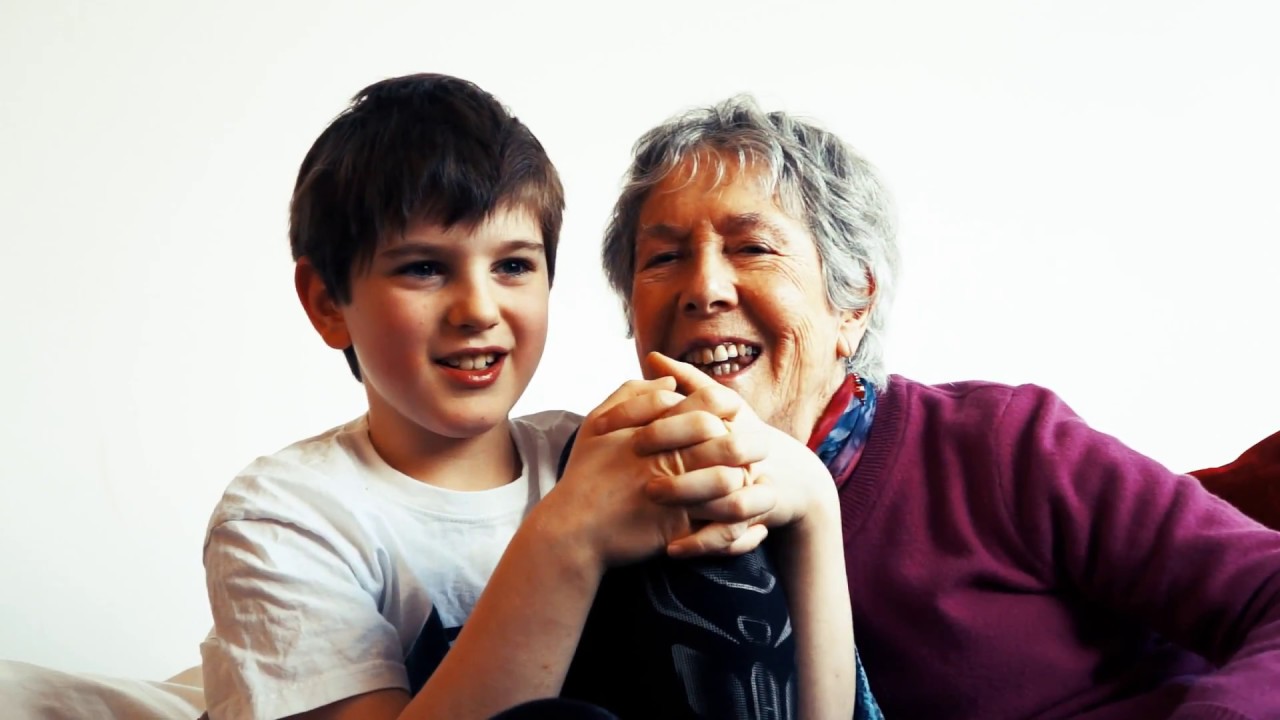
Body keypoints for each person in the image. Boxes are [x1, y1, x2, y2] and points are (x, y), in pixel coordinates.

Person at [597, 94, 1280, 719]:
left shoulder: (1002, 444)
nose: (704, 288)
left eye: (752, 247)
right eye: (663, 258)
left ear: (853, 303)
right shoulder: (621, 519)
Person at [200, 73, 856, 720]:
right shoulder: (285, 517)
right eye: (424, 268)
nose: (478, 309)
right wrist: (567, 540)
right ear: (326, 303)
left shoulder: (596, 456)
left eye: (513, 266)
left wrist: (815, 506)